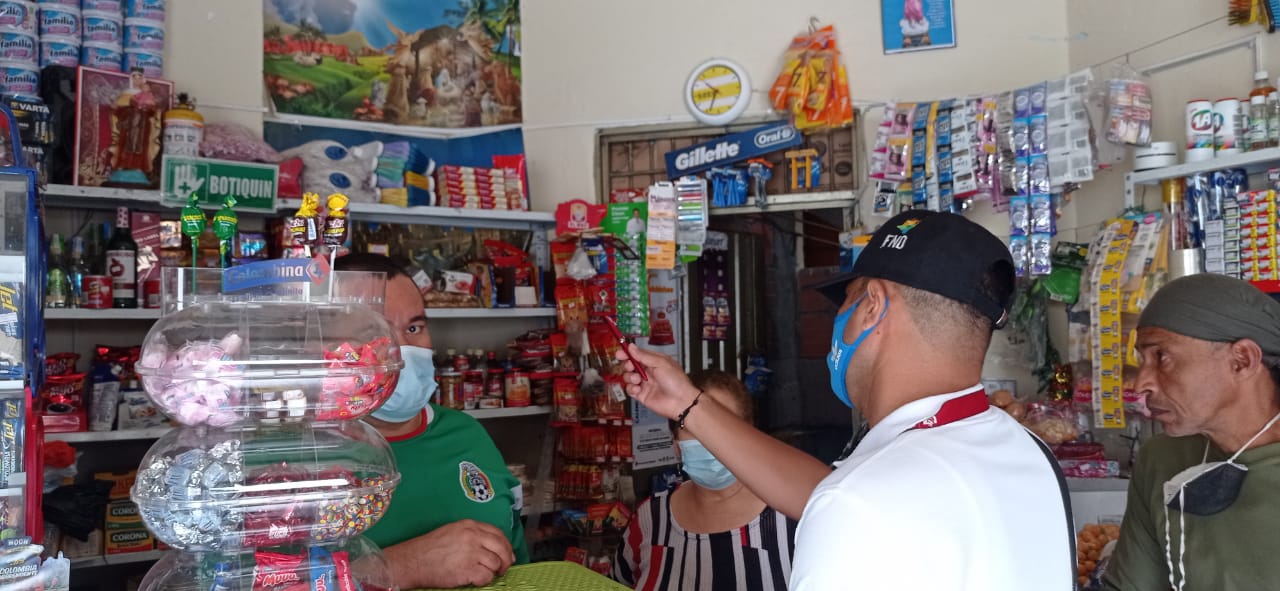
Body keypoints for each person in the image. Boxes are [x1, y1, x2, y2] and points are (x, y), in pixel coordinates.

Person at [615, 211, 1074, 590]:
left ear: (873, 306)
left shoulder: (861, 504)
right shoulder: (1030, 454)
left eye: (847, 302)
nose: (841, 321)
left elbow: (848, 500)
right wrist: (688, 404)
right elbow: (826, 493)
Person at [335, 253, 528, 589]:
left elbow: (521, 568)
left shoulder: (467, 434)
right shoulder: (297, 455)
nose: (402, 351)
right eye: (374, 332)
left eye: (414, 328)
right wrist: (402, 566)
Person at [1102, 274, 1280, 591]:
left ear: (1242, 360)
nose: (1142, 383)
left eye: (1162, 357)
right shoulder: (1162, 460)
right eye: (1143, 360)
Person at [612, 371, 798, 590]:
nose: (709, 440)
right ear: (676, 444)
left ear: (749, 434)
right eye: (691, 426)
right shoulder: (649, 519)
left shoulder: (793, 519)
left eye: (723, 424)